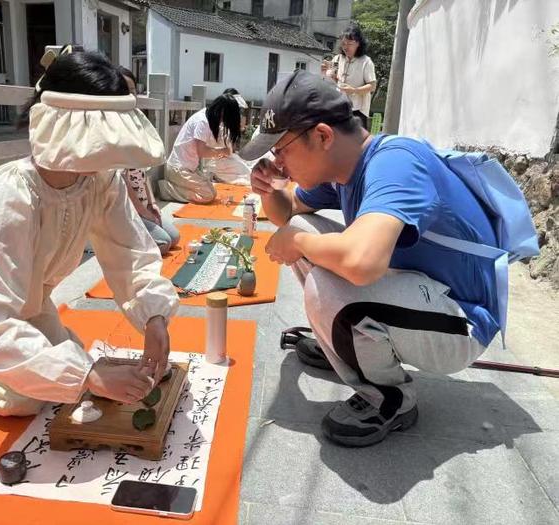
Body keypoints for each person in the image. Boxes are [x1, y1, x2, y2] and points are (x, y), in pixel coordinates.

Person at [240, 70, 501, 447]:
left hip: (463, 322)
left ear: (323, 136)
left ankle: (389, 398)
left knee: (329, 283)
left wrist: (296, 238)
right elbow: (287, 214)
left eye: (280, 149)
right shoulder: (344, 168)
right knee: (304, 231)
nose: (277, 162)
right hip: (424, 297)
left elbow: (362, 262)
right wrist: (270, 191)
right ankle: (348, 340)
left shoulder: (396, 162)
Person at [0, 49, 179, 417]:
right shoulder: (10, 194)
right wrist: (87, 374)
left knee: (65, 377)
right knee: (20, 399)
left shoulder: (101, 181)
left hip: (28, 297)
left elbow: (129, 251)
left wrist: (155, 317)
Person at [117, 66, 180, 256]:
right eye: (122, 91)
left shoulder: (137, 123)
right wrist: (143, 213)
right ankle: (113, 243)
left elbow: (143, 174)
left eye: (132, 91)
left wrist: (152, 204)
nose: (129, 96)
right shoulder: (113, 127)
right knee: (163, 243)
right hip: (123, 211)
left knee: (174, 237)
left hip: (141, 206)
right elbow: (122, 182)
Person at [158, 94, 241, 203]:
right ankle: (167, 190)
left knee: (212, 192)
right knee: (207, 195)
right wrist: (222, 151)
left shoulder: (207, 117)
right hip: (178, 169)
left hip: (188, 168)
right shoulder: (203, 122)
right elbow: (202, 151)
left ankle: (176, 186)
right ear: (222, 112)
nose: (224, 122)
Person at [325, 24, 376, 130]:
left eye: (349, 44)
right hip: (338, 107)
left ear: (358, 43)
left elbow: (372, 86)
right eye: (343, 43)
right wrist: (327, 73)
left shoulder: (366, 61)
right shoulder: (338, 58)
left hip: (357, 111)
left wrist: (354, 90)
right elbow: (334, 80)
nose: (345, 47)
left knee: (357, 143)